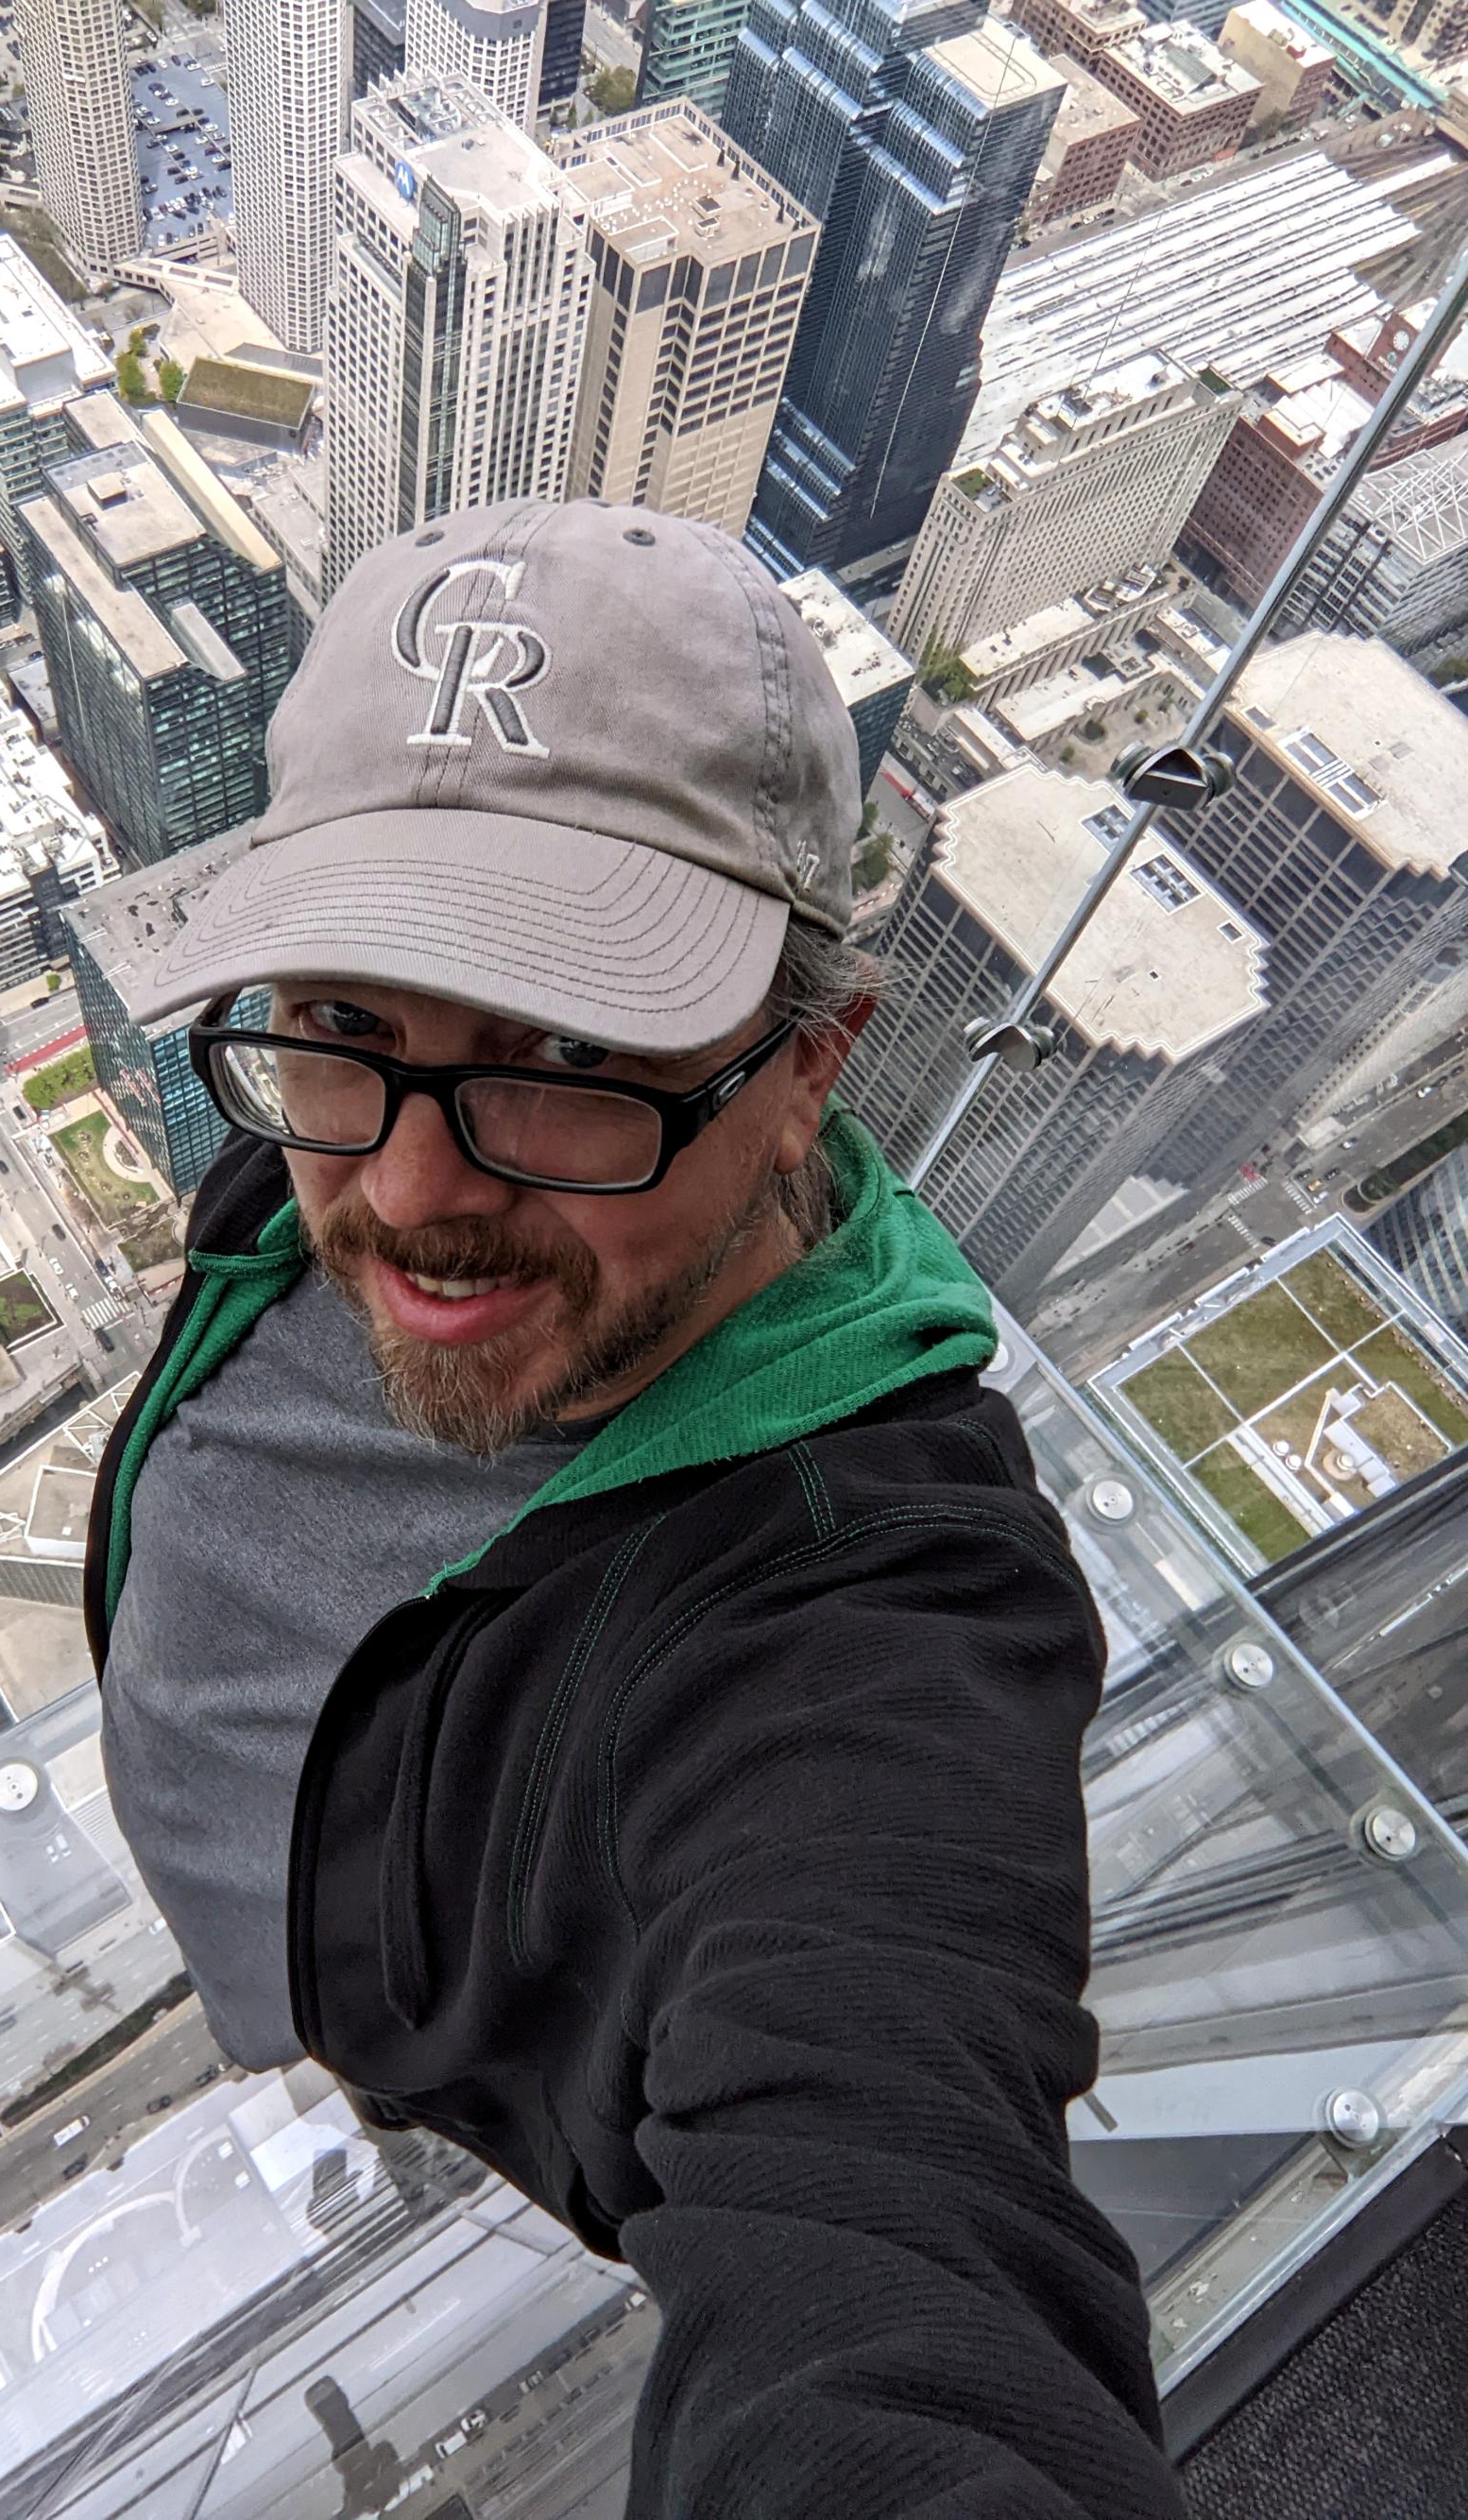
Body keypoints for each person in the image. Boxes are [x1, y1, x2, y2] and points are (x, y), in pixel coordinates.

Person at [87, 498, 1186, 2517]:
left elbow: (890, 2234)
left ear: (810, 1067)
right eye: (346, 1019)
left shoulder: (870, 1615)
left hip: (429, 2076)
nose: (411, 1197)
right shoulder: (323, 1168)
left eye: (569, 1056)